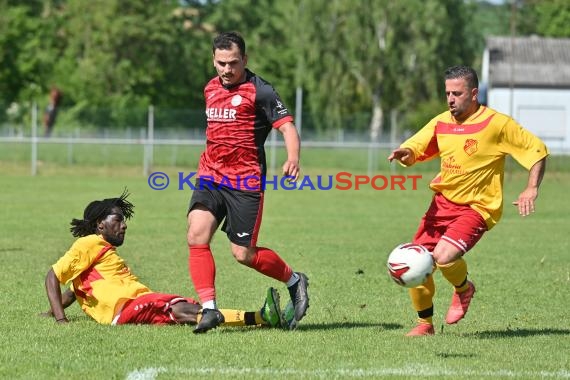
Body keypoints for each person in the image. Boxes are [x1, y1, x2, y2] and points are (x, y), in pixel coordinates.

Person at [388, 65, 548, 336]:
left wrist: (531, 188)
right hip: (441, 205)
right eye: (447, 93)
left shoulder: (497, 124)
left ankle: (464, 289)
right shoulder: (442, 122)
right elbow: (417, 144)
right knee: (416, 263)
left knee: (444, 256)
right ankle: (425, 325)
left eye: (457, 93)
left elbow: (536, 151)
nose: (450, 99)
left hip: (476, 207)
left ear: (474, 94)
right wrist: (407, 152)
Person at [186, 31, 309, 333]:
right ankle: (210, 310)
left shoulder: (261, 90)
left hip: (245, 182)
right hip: (210, 175)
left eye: (233, 63)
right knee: (196, 235)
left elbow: (288, 128)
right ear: (213, 60)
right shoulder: (210, 88)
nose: (227, 70)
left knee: (243, 254)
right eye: (221, 63)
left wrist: (292, 158)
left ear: (245, 59)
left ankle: (295, 280)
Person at [43, 191, 284, 330]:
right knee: (182, 309)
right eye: (117, 219)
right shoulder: (89, 244)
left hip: (133, 306)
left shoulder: (95, 258)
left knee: (187, 312)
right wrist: (61, 320)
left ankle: (261, 317)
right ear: (99, 225)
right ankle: (260, 316)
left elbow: (73, 291)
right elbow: (52, 277)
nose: (124, 224)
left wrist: (51, 312)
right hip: (126, 307)